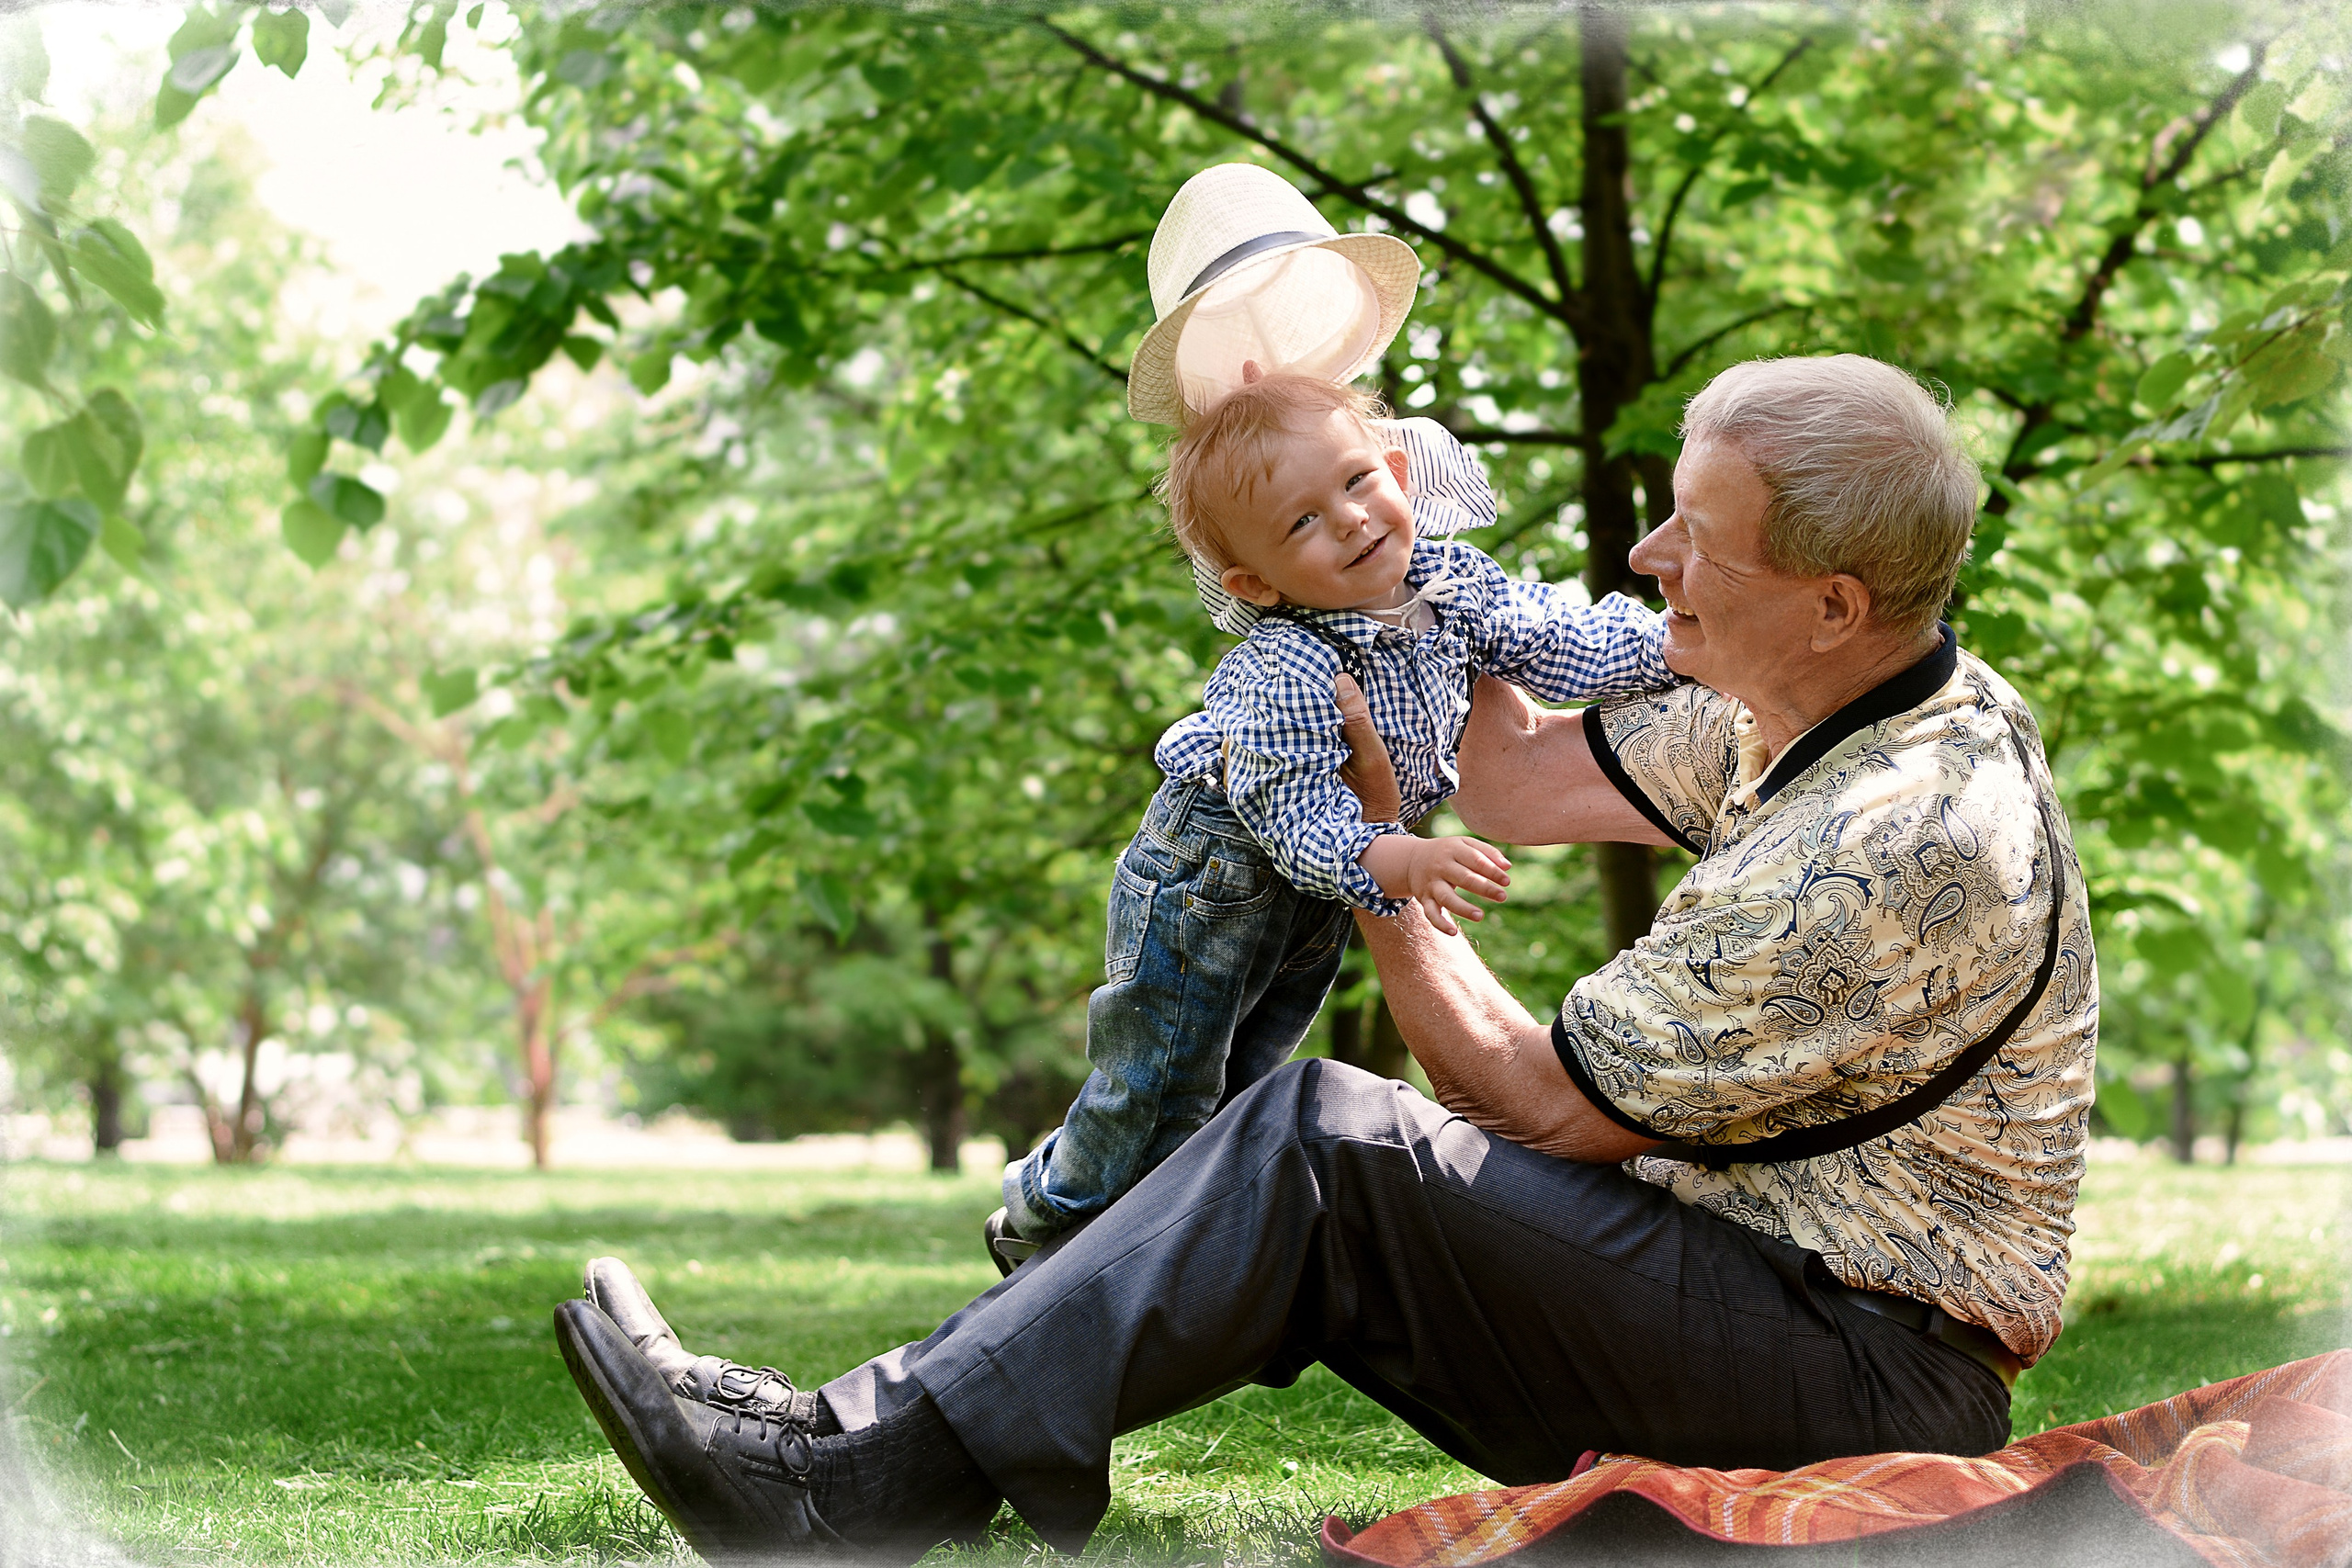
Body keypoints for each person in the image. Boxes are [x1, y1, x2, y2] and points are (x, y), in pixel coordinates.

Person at [550, 354, 2098, 1567]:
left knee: (1327, 1135)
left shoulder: (1902, 839)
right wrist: (1402, 572)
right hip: (1757, 1295)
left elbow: (1526, 1097)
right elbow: (1510, 782)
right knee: (1323, 1142)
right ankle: (855, 1443)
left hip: (1851, 1384)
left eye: (1697, 533)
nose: (1645, 553)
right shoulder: (1806, 692)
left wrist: (1362, 856)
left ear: (1833, 600)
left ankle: (847, 1482)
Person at [989, 373, 1670, 1269]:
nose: (1348, 519)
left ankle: (1136, 1249)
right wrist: (1393, 855)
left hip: (1313, 890)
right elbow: (1293, 814)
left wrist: (1678, 648)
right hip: (1214, 872)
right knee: (1159, 1087)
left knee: (1244, 1075)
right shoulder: (1288, 666)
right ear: (1256, 584)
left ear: (1394, 470)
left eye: (1355, 483)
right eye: (1301, 522)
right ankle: (1043, 1215)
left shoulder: (1449, 585)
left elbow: (1552, 635)